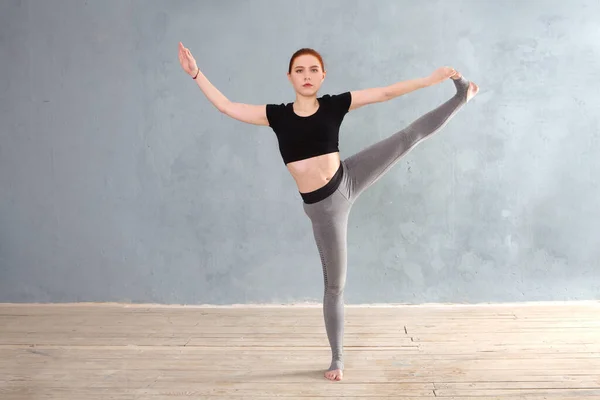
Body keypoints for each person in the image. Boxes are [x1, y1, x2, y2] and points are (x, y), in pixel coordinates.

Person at [178, 42, 479, 381]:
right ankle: (337, 358)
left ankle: (461, 95)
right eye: (300, 70)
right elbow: (227, 106)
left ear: (323, 76)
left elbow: (384, 93)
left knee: (407, 138)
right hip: (325, 210)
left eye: (313, 70)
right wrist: (196, 74)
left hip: (347, 176)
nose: (307, 76)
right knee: (335, 285)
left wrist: (429, 80)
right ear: (290, 77)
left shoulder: (335, 105)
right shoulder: (276, 115)